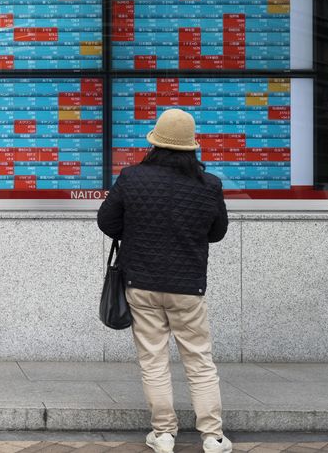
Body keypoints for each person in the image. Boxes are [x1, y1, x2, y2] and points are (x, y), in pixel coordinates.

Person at [97, 108, 231, 453]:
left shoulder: (132, 177)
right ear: (191, 147)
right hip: (188, 286)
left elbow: (107, 222)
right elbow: (217, 233)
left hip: (141, 283)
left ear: (155, 143)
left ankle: (164, 434)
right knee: (199, 359)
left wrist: (138, 228)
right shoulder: (210, 185)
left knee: (153, 361)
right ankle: (212, 437)